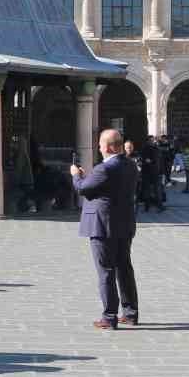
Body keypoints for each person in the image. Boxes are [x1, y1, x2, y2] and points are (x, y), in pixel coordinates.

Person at [72, 129, 139, 329]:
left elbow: (84, 190)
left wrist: (76, 176)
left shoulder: (105, 168)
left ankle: (109, 316)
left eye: (100, 145)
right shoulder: (130, 165)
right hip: (124, 222)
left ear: (109, 147)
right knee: (124, 268)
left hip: (102, 225)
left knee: (106, 271)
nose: (99, 148)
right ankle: (130, 313)